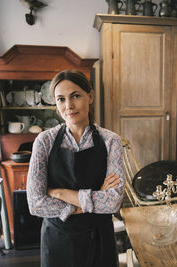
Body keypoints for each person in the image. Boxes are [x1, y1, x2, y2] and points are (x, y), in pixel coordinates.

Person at [26, 69, 125, 267]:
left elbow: (113, 202)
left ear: (90, 96)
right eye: (60, 99)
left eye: (76, 96)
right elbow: (36, 204)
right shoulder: (44, 142)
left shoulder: (110, 141)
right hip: (58, 242)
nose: (68, 106)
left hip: (100, 240)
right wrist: (95, 198)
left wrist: (59, 192)